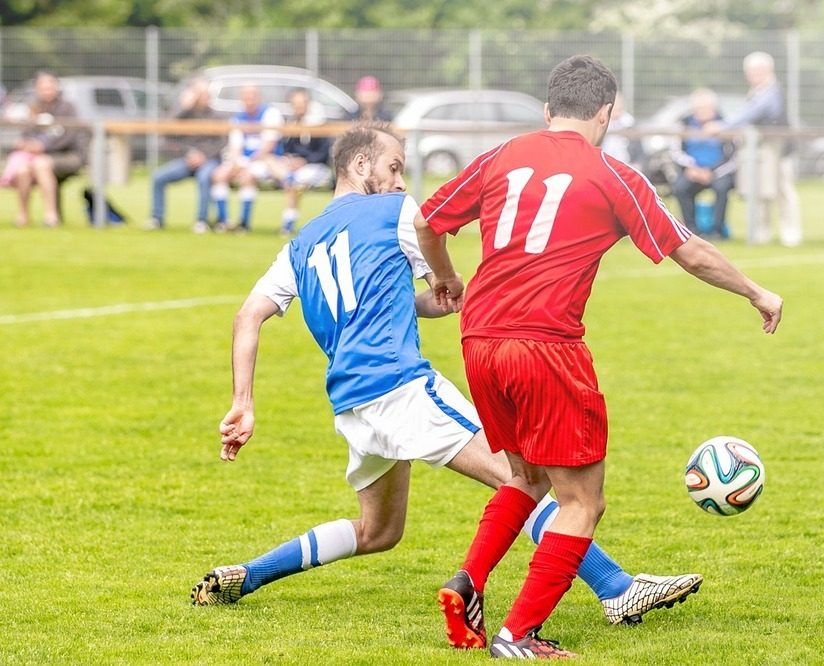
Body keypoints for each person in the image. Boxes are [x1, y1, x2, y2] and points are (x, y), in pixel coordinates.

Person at [191, 125, 705, 637]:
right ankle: (616, 587)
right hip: (400, 386)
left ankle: (249, 575)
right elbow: (435, 250)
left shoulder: (299, 245)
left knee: (378, 531)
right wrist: (451, 282)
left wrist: (243, 402)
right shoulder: (397, 213)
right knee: (520, 479)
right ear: (360, 165)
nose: (399, 180)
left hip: (351, 402)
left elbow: (248, 317)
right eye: (393, 167)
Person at [416, 55, 783, 659]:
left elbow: (429, 221)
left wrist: (447, 280)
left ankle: (469, 582)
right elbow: (689, 251)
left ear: (547, 110)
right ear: (607, 114)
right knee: (582, 501)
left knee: (525, 478)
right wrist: (755, 291)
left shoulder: (499, 156)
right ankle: (518, 635)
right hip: (546, 345)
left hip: (479, 339)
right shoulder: (613, 174)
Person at [707, 51, 801, 246]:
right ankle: (761, 233)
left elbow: (750, 114)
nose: (749, 75)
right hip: (761, 151)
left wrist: (723, 127)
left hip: (780, 151)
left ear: (765, 70)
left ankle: (790, 234)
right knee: (760, 191)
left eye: (753, 71)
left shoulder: (771, 92)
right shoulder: (756, 91)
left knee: (784, 191)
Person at [4, 71, 86, 228]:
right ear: (37, 88)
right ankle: (23, 215)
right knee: (22, 170)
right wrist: (26, 144)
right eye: (43, 87)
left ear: (56, 87)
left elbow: (69, 136)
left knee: (41, 164)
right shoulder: (33, 108)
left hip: (67, 155)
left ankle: (51, 215)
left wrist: (43, 147)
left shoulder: (67, 107)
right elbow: (27, 133)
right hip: (36, 157)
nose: (47, 90)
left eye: (50, 86)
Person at [145, 79, 226, 232]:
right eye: (199, 94)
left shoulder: (216, 116)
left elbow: (221, 142)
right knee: (158, 177)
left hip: (209, 160)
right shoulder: (184, 115)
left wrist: (203, 156)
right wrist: (183, 107)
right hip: (187, 160)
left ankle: (201, 221)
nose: (204, 97)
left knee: (204, 178)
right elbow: (166, 131)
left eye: (206, 94)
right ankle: (156, 218)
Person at [210, 85, 284, 232]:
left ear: (259, 97)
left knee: (248, 176)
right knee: (219, 175)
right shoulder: (238, 118)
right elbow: (235, 147)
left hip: (267, 161)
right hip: (243, 161)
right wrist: (239, 162)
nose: (249, 101)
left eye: (252, 97)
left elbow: (268, 147)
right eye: (246, 98)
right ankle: (224, 221)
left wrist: (246, 164)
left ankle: (243, 224)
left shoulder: (271, 114)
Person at [670, 88, 737, 239]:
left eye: (706, 108)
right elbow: (675, 152)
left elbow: (732, 158)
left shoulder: (726, 125)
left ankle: (717, 230)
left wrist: (711, 172)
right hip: (692, 171)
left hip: (718, 172)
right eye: (698, 109)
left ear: (713, 108)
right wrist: (691, 168)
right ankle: (691, 231)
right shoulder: (684, 124)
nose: (702, 112)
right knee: (680, 187)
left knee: (722, 187)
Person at [274, 88, 333, 236]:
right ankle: (288, 224)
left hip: (316, 167)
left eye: (302, 103)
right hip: (294, 167)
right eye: (296, 104)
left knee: (294, 181)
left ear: (308, 104)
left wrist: (304, 161)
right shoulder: (291, 124)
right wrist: (291, 159)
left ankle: (288, 224)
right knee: (286, 175)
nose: (299, 107)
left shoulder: (318, 124)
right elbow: (285, 149)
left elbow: (323, 153)